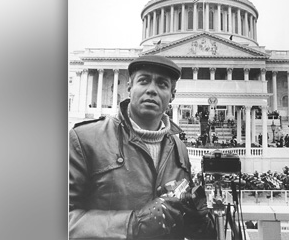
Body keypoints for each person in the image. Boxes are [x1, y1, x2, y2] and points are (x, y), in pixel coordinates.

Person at [69, 55, 215, 239]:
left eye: (162, 84)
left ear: (172, 96)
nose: (152, 90)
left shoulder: (180, 149)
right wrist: (133, 224)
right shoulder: (84, 139)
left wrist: (198, 221)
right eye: (144, 81)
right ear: (129, 87)